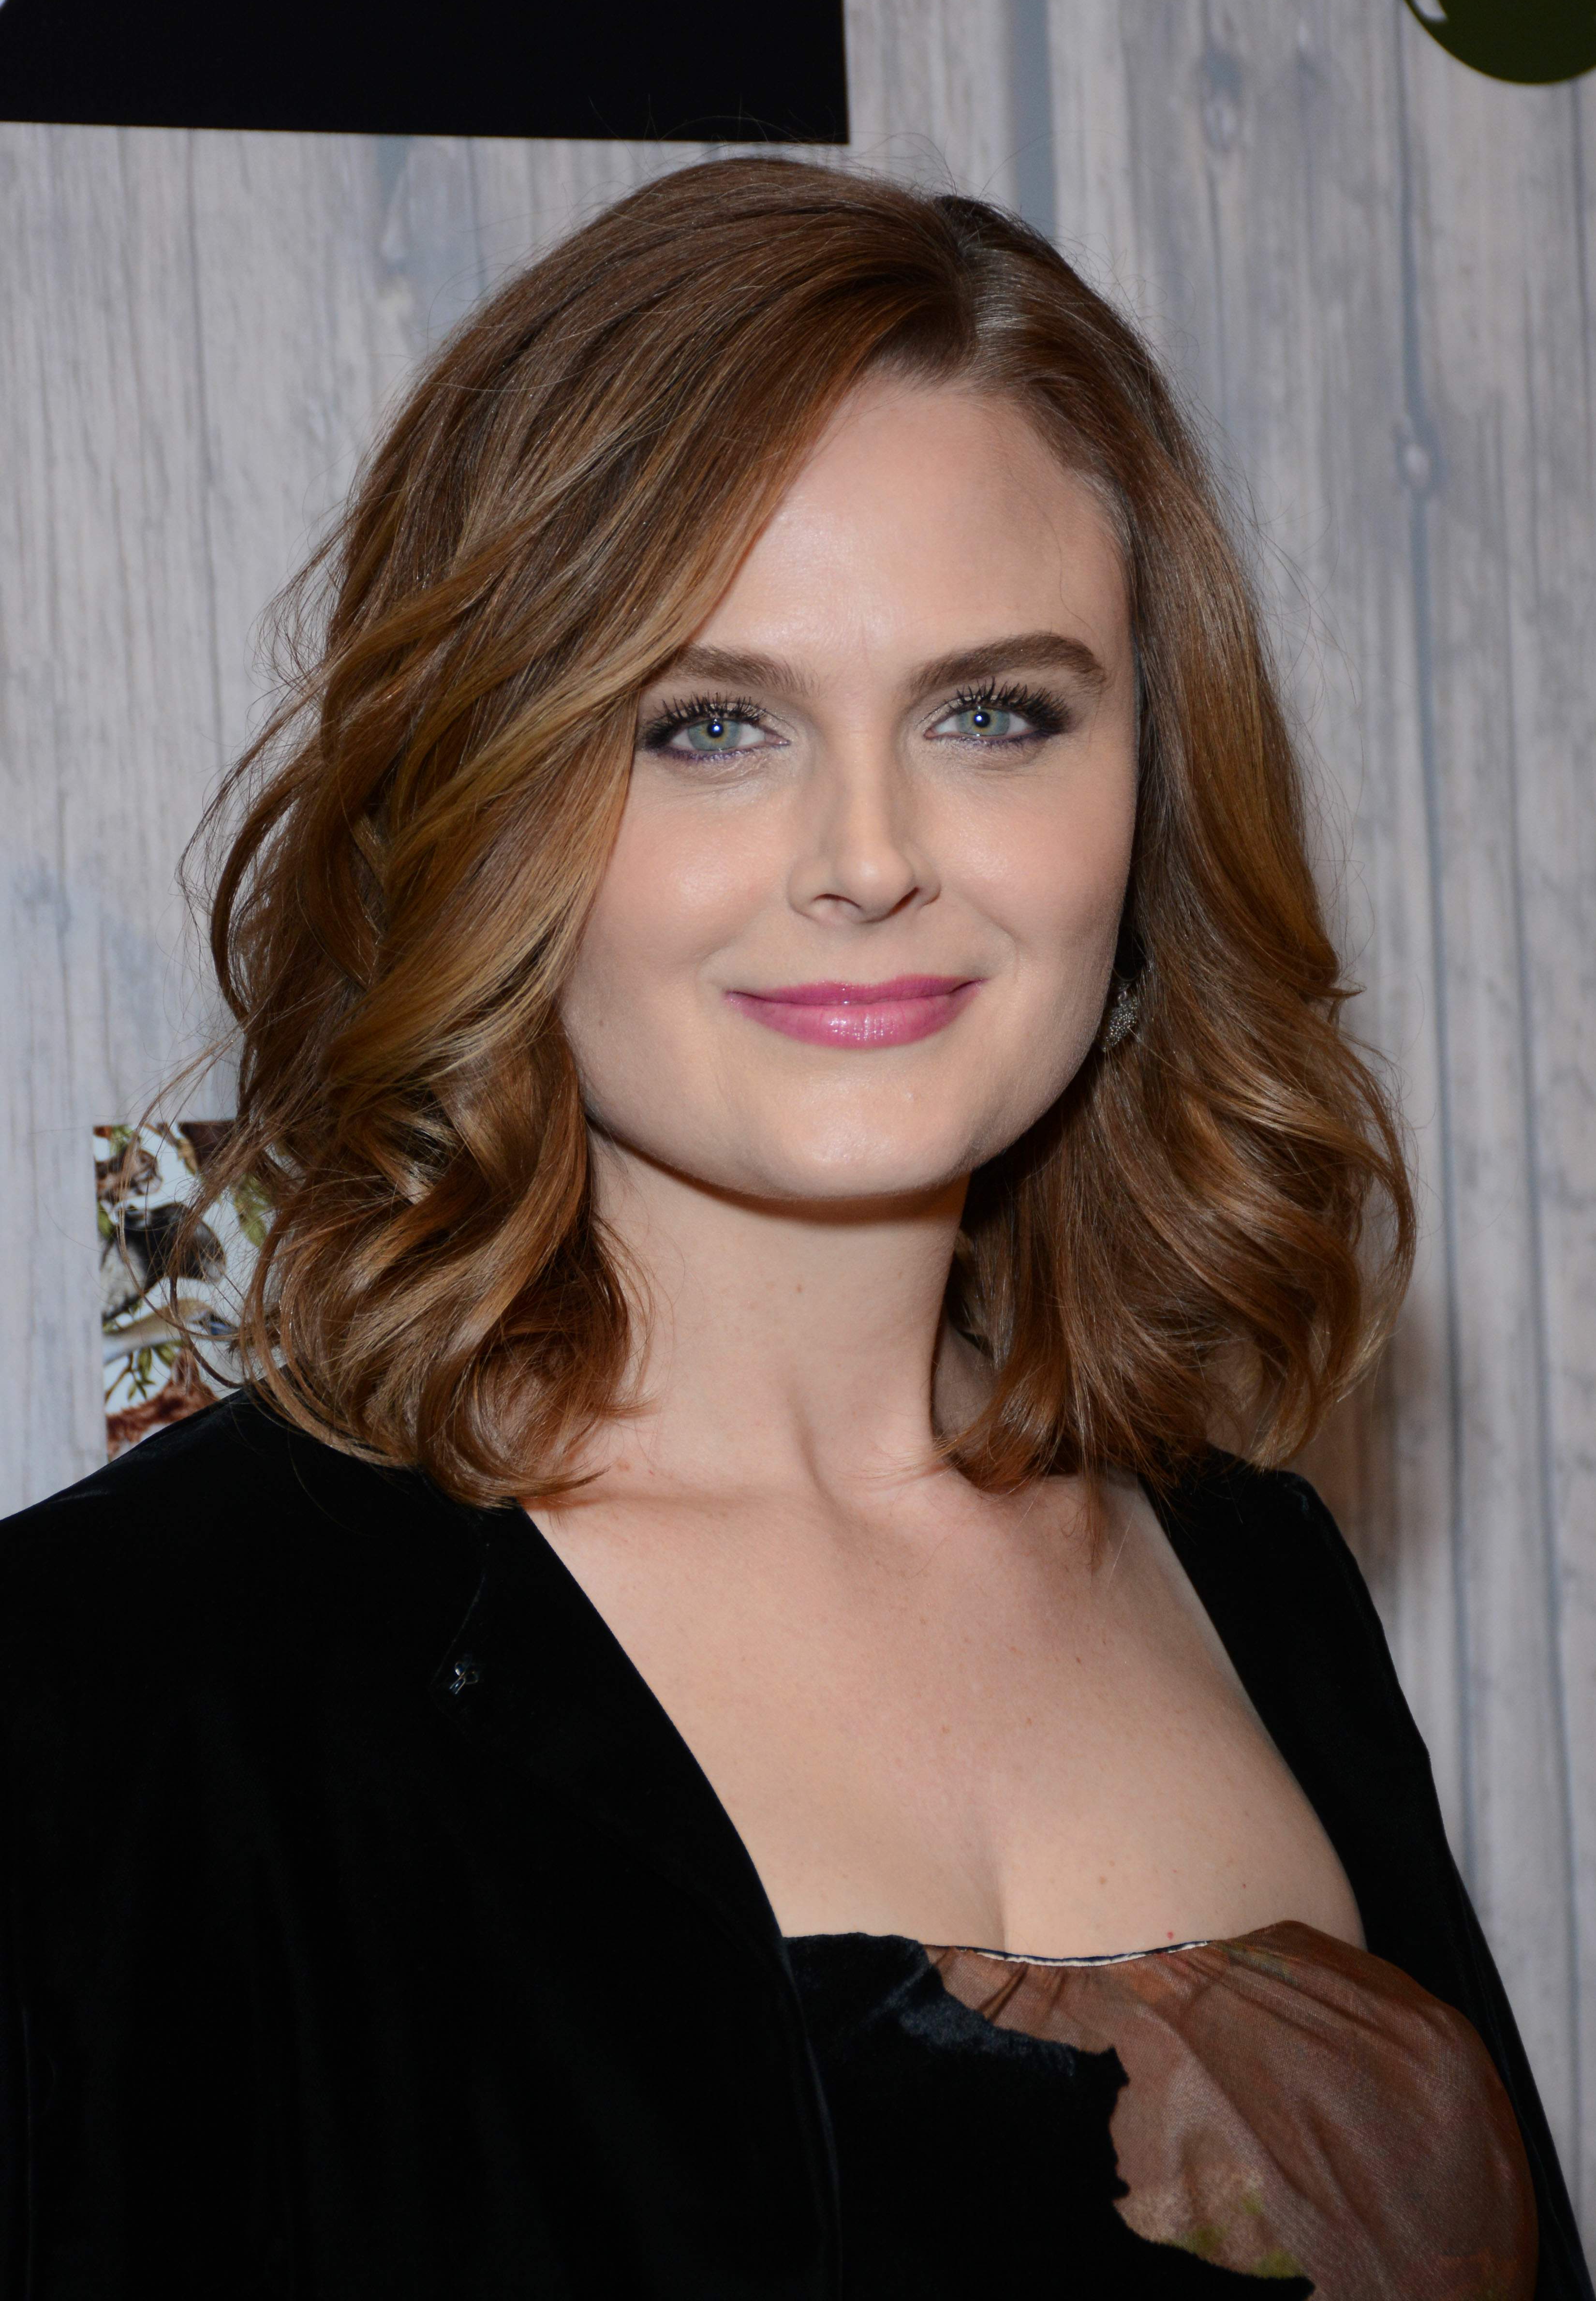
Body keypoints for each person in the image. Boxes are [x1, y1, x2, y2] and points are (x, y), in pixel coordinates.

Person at [0, 157, 1586, 2300]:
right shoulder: (125, 1678)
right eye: (711, 725)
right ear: (481, 798)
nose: (868, 853)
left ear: (1150, 790)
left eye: (993, 712)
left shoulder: (1261, 1575)